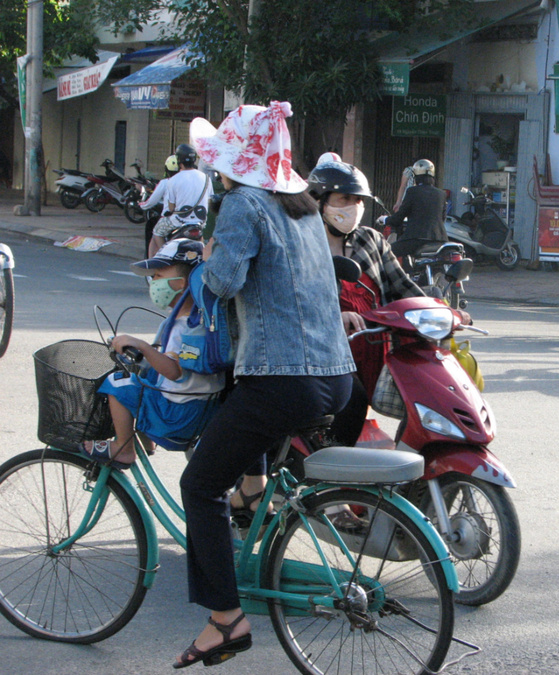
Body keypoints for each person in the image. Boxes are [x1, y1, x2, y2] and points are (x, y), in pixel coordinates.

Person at [176, 101, 355, 668]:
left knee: (199, 485)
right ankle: (253, 491)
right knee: (240, 400)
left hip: (286, 379)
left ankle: (225, 621)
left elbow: (225, 282)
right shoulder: (303, 207)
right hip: (336, 376)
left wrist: (204, 259)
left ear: (231, 161)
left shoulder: (240, 204)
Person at [307, 160, 426, 444]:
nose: (353, 206)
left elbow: (403, 286)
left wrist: (440, 312)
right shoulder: (304, 243)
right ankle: (332, 468)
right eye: (344, 199)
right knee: (352, 400)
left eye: (358, 199)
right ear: (320, 202)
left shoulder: (370, 240)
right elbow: (299, 299)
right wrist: (336, 316)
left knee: (420, 398)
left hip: (376, 349)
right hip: (327, 353)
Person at [81, 239, 224, 468]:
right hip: (201, 408)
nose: (153, 282)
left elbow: (175, 371)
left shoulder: (186, 327)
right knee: (146, 377)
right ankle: (146, 442)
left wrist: (143, 347)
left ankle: (123, 448)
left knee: (117, 383)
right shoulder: (202, 321)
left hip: (177, 414)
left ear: (183, 282)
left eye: (158, 275)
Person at [149, 144, 211, 256]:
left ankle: (165, 255)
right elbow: (210, 200)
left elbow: (171, 208)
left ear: (178, 160)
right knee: (201, 239)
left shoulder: (173, 180)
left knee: (157, 232)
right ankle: (202, 260)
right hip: (200, 221)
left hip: (178, 221)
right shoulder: (206, 178)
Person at [381, 159, 448, 260]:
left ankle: (399, 276)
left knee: (385, 254)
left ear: (416, 177)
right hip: (439, 240)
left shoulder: (412, 191)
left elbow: (399, 217)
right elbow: (442, 218)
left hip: (416, 239)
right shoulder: (441, 194)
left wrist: (385, 219)